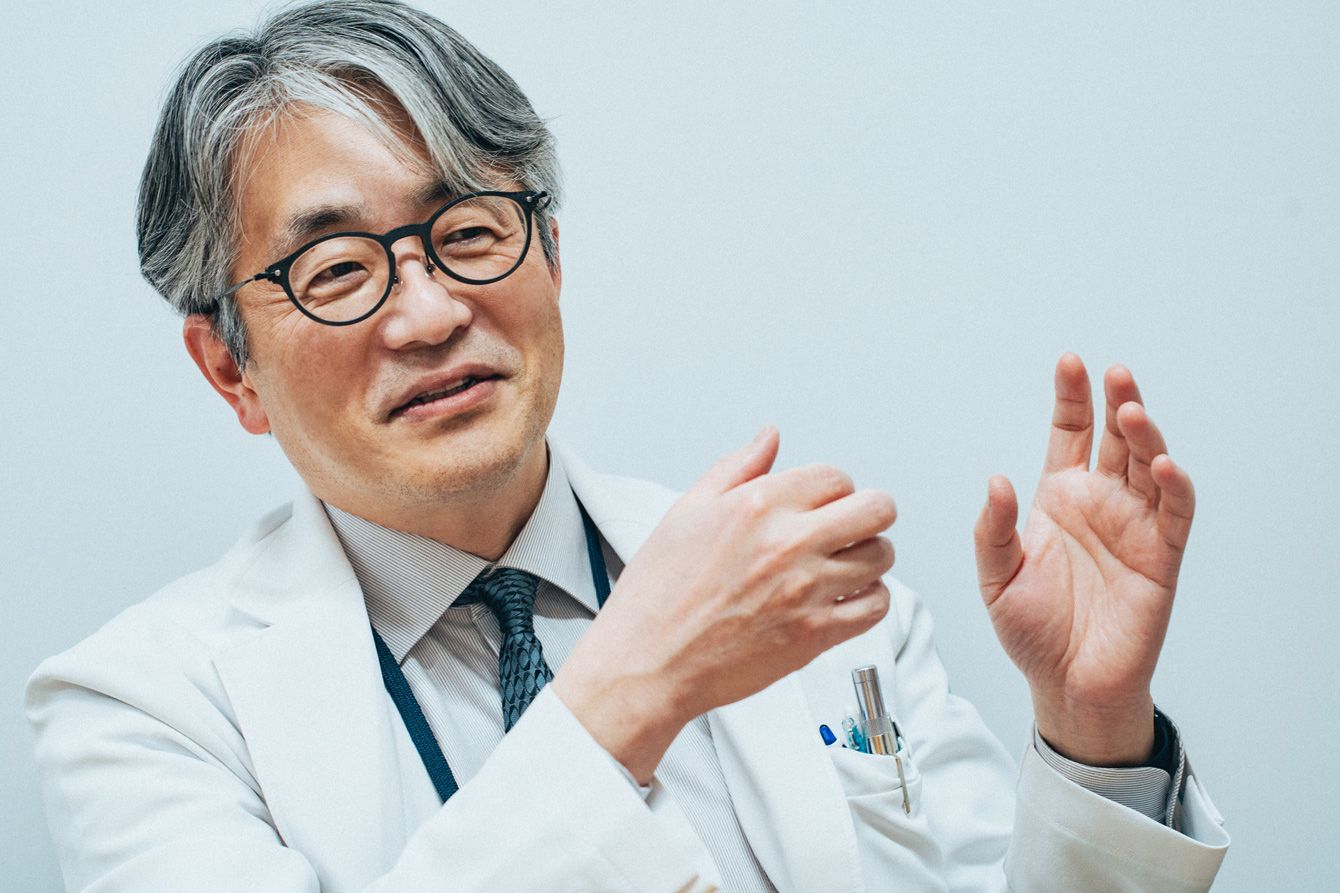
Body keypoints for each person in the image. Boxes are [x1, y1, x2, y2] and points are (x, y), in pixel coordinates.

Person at [25, 1, 1229, 890]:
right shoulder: (140, 707)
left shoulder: (805, 587)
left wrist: (1091, 733)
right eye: (336, 268)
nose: (430, 313)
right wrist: (630, 686)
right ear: (230, 367)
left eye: (470, 232)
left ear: (551, 257)